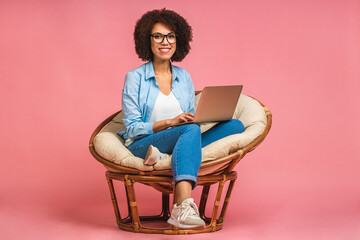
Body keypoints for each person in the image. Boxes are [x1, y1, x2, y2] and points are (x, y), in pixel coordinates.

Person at [118, 8, 245, 229]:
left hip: (179, 137)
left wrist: (200, 118)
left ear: (178, 40)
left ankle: (163, 155)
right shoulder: (135, 78)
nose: (164, 41)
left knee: (235, 125)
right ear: (147, 40)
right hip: (142, 144)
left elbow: (188, 119)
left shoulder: (183, 77)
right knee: (189, 131)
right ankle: (182, 207)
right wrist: (170, 123)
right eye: (157, 36)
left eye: (170, 36)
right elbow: (131, 129)